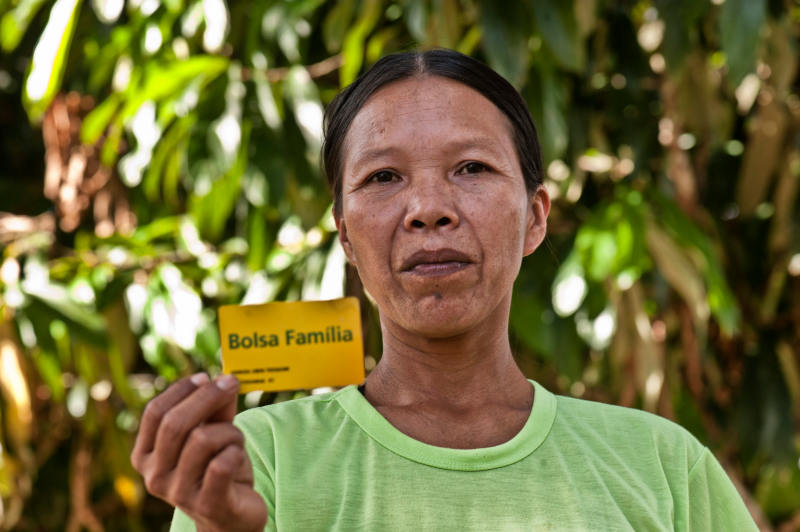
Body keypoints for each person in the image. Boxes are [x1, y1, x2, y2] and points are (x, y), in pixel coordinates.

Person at [131, 49, 758, 531]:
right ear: (346, 236)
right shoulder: (258, 462)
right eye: (383, 176)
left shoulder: (664, 465)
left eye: (472, 168)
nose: (428, 208)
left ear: (536, 216)